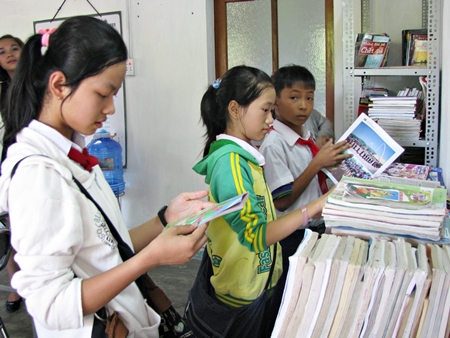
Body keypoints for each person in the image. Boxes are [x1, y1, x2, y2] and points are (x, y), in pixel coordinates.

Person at [0, 16, 211, 337]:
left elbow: (107, 244)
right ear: (59, 85)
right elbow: (50, 305)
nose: (111, 108)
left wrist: (165, 219)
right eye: (103, 94)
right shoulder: (38, 174)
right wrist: (150, 259)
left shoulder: (75, 153)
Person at [184, 65, 333, 338]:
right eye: (265, 110)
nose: (270, 120)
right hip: (242, 292)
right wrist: (316, 205)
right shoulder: (230, 162)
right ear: (234, 109)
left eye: (272, 111)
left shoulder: (246, 156)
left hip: (257, 282)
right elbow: (255, 235)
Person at [258, 64, 352, 323]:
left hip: (314, 227)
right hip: (291, 234)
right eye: (294, 97)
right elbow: (283, 200)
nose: (303, 106)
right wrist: (317, 164)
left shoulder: (306, 135)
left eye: (309, 97)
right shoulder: (274, 143)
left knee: (309, 295)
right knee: (288, 296)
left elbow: (313, 175)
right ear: (275, 103)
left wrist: (333, 161)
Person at [0, 33, 24, 313]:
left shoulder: (38, 83)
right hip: (8, 160)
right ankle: (16, 286)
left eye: (14, 48)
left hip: (34, 157)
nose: (9, 54)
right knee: (11, 226)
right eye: (2, 51)